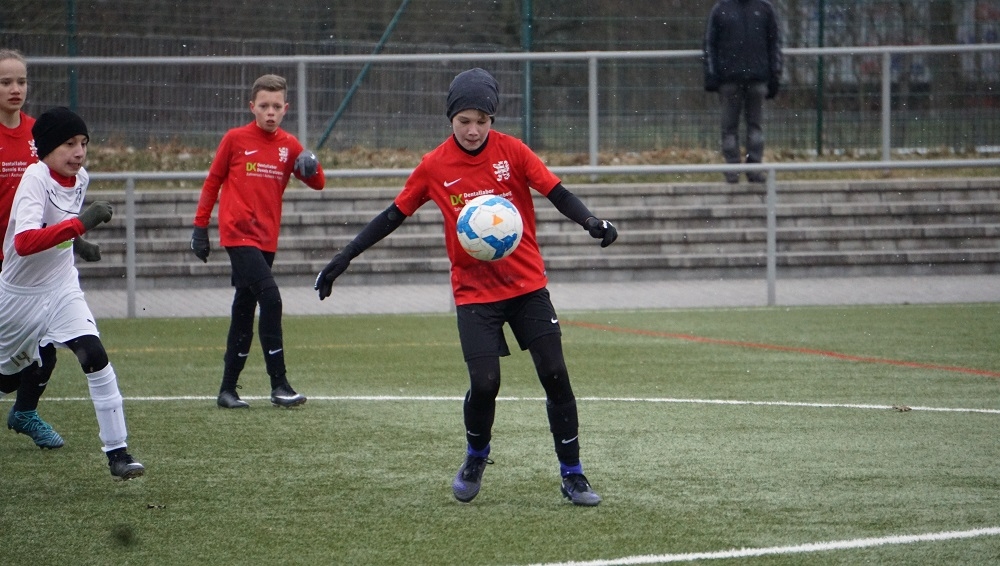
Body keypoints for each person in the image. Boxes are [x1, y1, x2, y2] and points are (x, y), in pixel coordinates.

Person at [314, 68, 618, 506]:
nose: (473, 130)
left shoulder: (513, 152)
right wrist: (345, 256)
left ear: (492, 119)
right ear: (450, 119)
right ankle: (476, 456)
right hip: (475, 295)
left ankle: (573, 474)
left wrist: (591, 221)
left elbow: (557, 192)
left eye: (482, 121)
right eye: (464, 121)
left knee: (554, 373)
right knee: (485, 383)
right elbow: (393, 215)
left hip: (527, 286)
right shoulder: (434, 165)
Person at [0, 106, 144, 479]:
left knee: (94, 355)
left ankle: (118, 454)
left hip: (62, 286)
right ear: (46, 148)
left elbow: (59, 225)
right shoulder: (35, 179)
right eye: (68, 144)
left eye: (83, 143)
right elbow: (25, 242)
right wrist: (80, 226)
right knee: (7, 380)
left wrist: (78, 243)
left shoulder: (80, 178)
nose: (78, 152)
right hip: (19, 296)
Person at [191, 73, 324, 409]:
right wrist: (200, 228)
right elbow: (212, 182)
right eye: (264, 106)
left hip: (267, 239)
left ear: (285, 108)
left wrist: (311, 164)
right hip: (238, 234)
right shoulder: (235, 139)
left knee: (243, 308)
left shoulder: (289, 146)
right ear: (252, 106)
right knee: (272, 300)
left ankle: (227, 390)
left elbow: (318, 183)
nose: (270, 112)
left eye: (276, 106)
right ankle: (279, 384)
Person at [0, 49, 80, 447]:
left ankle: (25, 413)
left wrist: (76, 238)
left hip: (33, 262)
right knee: (7, 368)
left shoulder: (41, 136)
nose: (16, 89)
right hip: (6, 262)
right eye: (5, 82)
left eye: (22, 81)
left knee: (45, 348)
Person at [703, 0, 783, 183]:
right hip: (754, 77)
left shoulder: (721, 9)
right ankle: (753, 168)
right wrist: (775, 75)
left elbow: (709, 44)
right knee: (754, 126)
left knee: (730, 128)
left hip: (731, 78)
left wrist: (712, 75)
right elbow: (775, 44)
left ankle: (733, 169)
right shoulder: (764, 8)